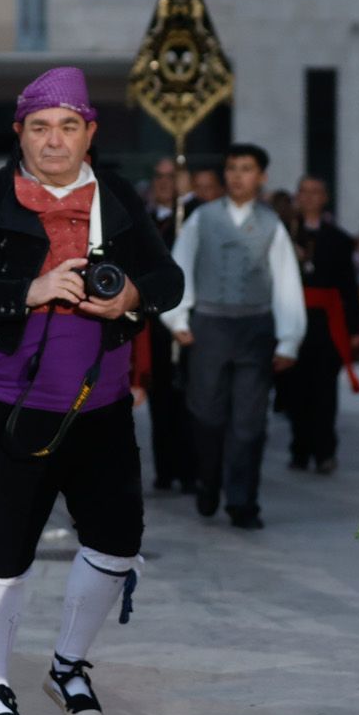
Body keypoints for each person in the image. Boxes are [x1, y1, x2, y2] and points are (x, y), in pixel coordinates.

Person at [0, 66, 182, 715]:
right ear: (20, 133)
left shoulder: (116, 198)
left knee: (119, 541)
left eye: (68, 126)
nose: (55, 140)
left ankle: (68, 664)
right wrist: (28, 292)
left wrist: (130, 297)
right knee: (4, 551)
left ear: (90, 132)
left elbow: (169, 277)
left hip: (102, 404)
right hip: (8, 405)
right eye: (40, 127)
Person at [163, 145, 306, 529]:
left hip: (255, 329)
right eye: (231, 168)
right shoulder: (201, 219)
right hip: (208, 326)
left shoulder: (272, 223)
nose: (237, 176)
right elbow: (182, 266)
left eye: (246, 169)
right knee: (205, 415)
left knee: (249, 422)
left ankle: (243, 502)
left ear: (261, 177)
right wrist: (178, 319)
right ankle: (208, 482)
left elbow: (286, 284)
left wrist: (289, 338)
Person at [282, 176, 359, 474]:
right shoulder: (285, 235)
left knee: (325, 390)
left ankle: (325, 451)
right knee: (294, 389)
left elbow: (349, 286)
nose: (310, 197)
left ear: (325, 197)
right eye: (304, 192)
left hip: (327, 323)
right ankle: (299, 448)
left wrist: (355, 328)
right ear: (297, 197)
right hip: (293, 319)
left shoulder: (339, 239)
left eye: (316, 192)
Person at [144, 156, 195, 491]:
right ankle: (165, 470)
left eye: (171, 176)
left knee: (190, 401)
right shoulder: (145, 219)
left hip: (190, 322)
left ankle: (191, 471)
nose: (165, 183)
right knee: (159, 398)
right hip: (151, 322)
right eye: (159, 177)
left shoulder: (196, 218)